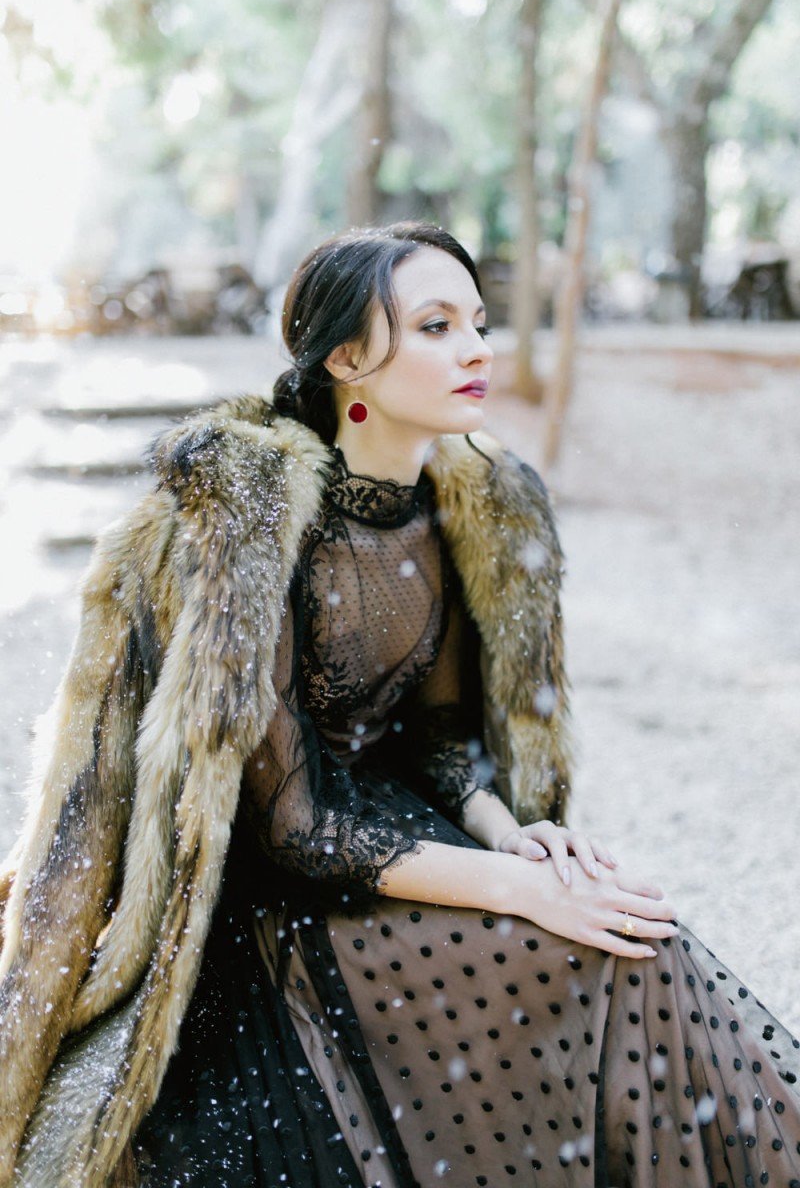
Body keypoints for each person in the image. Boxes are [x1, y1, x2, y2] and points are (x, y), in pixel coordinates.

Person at [0, 222, 798, 1188]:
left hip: (402, 834)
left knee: (643, 945)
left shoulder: (464, 507)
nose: (477, 350)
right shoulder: (258, 524)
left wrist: (516, 841)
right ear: (347, 359)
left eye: (478, 322)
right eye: (435, 326)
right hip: (280, 906)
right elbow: (294, 825)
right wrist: (515, 891)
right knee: (590, 952)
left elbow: (441, 738)